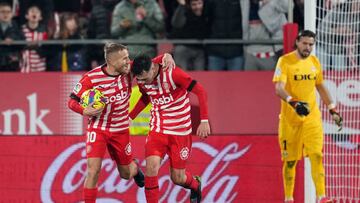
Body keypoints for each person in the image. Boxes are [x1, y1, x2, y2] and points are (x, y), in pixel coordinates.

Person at [67, 42, 175, 203]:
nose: (128, 61)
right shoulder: (91, 78)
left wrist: (165, 56)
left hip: (121, 130)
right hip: (98, 128)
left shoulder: (129, 70)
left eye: (128, 57)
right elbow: (71, 101)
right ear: (111, 62)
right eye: (124, 58)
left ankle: (135, 169)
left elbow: (148, 62)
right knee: (93, 170)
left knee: (126, 174)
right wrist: (85, 111)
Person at [272, 30, 343, 203]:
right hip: (290, 121)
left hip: (312, 118)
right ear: (297, 42)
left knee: (317, 155)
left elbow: (320, 86)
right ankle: (288, 198)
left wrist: (332, 109)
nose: (308, 47)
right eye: (304, 43)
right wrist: (294, 103)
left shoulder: (314, 62)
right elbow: (279, 88)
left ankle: (321, 197)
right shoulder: (285, 61)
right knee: (290, 162)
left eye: (311, 44)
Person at [130, 54, 211, 203]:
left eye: (142, 77)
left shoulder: (173, 74)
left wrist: (204, 120)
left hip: (180, 132)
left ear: (152, 69)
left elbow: (200, 91)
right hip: (158, 130)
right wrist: (130, 116)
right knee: (151, 170)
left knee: (178, 178)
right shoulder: (142, 77)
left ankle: (195, 184)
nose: (140, 81)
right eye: (138, 78)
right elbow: (146, 97)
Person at [20, 5, 48, 73]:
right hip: (24, 69)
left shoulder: (45, 31)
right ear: (26, 16)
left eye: (37, 12)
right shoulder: (21, 30)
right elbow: (19, 47)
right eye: (32, 11)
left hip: (40, 69)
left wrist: (35, 47)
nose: (34, 13)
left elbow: (46, 50)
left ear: (40, 17)